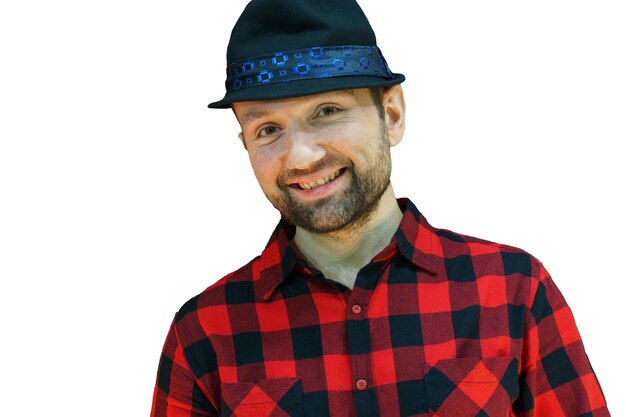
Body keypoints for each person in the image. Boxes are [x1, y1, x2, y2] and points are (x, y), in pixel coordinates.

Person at [150, 0, 610, 416]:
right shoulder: (203, 333)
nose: (301, 157)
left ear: (391, 116)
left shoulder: (513, 290)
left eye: (327, 111)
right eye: (267, 129)